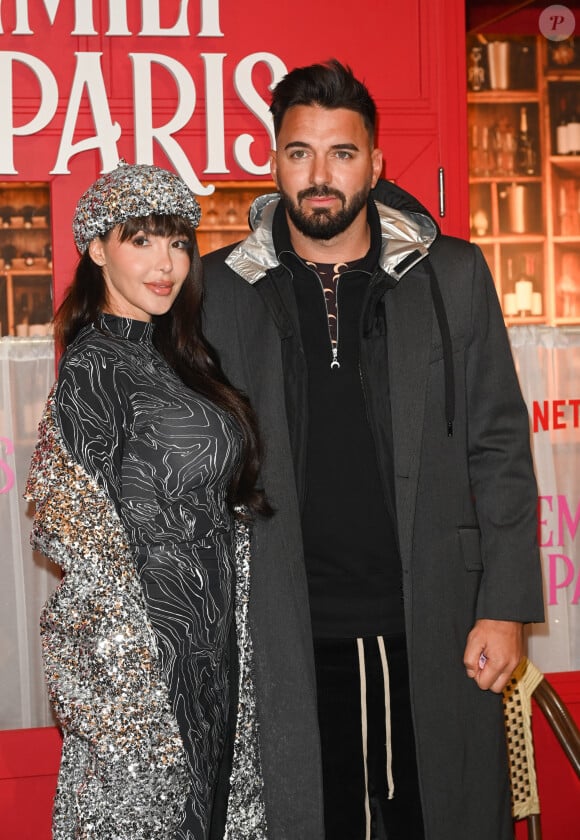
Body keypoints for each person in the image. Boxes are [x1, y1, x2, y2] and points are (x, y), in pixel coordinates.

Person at [201, 60, 545, 840]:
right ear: (274, 160)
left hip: (434, 621)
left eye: (342, 153)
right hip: (283, 630)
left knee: (441, 817)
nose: (320, 176)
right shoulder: (218, 288)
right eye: (300, 153)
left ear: (376, 163)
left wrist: (506, 606)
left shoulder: (450, 275)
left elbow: (499, 445)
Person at [25, 161, 270, 840]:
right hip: (148, 660)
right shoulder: (95, 365)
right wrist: (127, 680)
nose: (166, 263)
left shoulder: (177, 355)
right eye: (141, 240)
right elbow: (75, 528)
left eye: (178, 242)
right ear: (98, 249)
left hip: (215, 642)